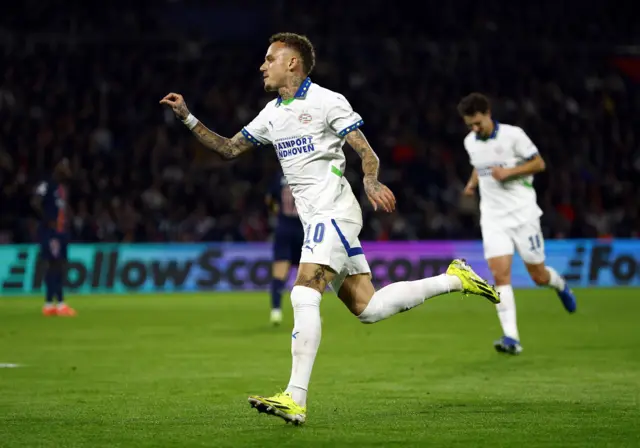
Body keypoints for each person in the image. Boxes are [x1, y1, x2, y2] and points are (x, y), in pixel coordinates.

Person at [161, 32, 500, 425]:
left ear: (293, 63)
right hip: (317, 221)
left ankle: (295, 397)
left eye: (270, 58)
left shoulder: (327, 101)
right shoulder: (271, 113)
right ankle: (455, 279)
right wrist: (187, 116)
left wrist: (370, 180)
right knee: (368, 308)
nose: (262, 65)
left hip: (334, 212)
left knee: (304, 291)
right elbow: (228, 148)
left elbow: (365, 151)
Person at [458, 92, 577, 356]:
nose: (475, 129)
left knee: (538, 275)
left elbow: (539, 163)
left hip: (523, 215)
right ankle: (511, 337)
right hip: (493, 217)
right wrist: (472, 183)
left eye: (478, 123)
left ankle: (559, 284)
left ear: (488, 113)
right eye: (470, 125)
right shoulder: (471, 142)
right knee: (500, 275)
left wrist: (509, 172)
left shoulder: (514, 135)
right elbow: (480, 165)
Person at [32, 158, 76, 317]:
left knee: (59, 266)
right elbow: (35, 202)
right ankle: (58, 304)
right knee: (55, 266)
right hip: (51, 233)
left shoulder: (63, 188)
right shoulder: (47, 185)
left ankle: (51, 304)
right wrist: (46, 219)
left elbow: (64, 209)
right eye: (63, 166)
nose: (66, 170)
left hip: (62, 232)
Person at [265, 172, 305, 326]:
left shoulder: (281, 176)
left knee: (279, 273)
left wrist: (276, 212)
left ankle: (276, 311)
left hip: (283, 229)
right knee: (307, 274)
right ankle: (309, 314)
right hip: (303, 229)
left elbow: (269, 199)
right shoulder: (309, 174)